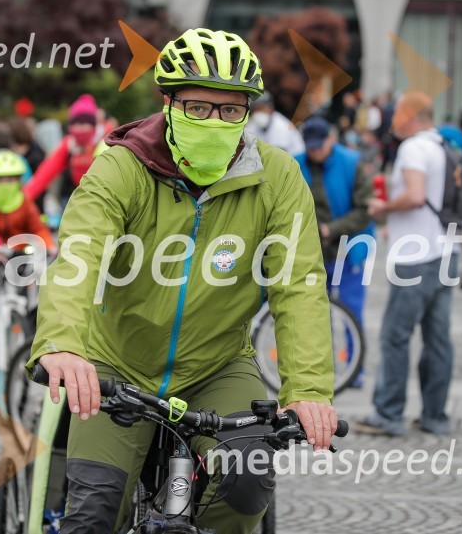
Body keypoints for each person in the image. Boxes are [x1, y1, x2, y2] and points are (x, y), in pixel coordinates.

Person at [27, 28, 337, 533]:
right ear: (168, 102)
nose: (215, 121)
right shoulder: (120, 167)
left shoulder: (278, 176)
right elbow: (79, 255)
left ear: (248, 112)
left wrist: (307, 389)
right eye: (197, 107)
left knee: (248, 483)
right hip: (117, 363)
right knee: (94, 513)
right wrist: (62, 344)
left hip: (218, 364)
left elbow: (298, 284)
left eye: (230, 110)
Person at [356, 91, 458, 437]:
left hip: (416, 256)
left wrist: (383, 209)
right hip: (445, 250)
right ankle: (435, 416)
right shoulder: (441, 144)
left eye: (397, 113)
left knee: (395, 336)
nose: (392, 120)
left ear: (410, 115)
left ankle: (388, 414)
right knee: (438, 338)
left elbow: (415, 196)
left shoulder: (413, 148)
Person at [302, 117, 373, 387]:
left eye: (319, 146)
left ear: (331, 139)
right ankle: (324, 369)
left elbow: (365, 210)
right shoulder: (296, 163)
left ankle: (355, 370)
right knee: (317, 314)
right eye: (310, 147)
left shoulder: (352, 163)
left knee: (351, 311)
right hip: (315, 253)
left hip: (348, 250)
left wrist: (331, 229)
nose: (314, 152)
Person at [0, 151, 55, 345]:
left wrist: (50, 246)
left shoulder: (25, 203)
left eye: (11, 179)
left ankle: (29, 323)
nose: (6, 184)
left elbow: (38, 228)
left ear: (19, 181)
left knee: (34, 280)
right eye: (1, 180)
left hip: (19, 252)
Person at [23, 94, 107, 203]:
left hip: (105, 198)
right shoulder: (69, 144)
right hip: (78, 196)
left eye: (83, 123)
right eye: (74, 123)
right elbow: (45, 172)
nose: (78, 128)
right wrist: (23, 200)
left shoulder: (106, 140)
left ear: (93, 125)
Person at [245, 90, 309, 181]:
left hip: (295, 161)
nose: (258, 113)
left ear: (270, 108)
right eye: (255, 110)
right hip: (268, 161)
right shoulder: (253, 124)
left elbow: (277, 157)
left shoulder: (281, 125)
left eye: (261, 108)